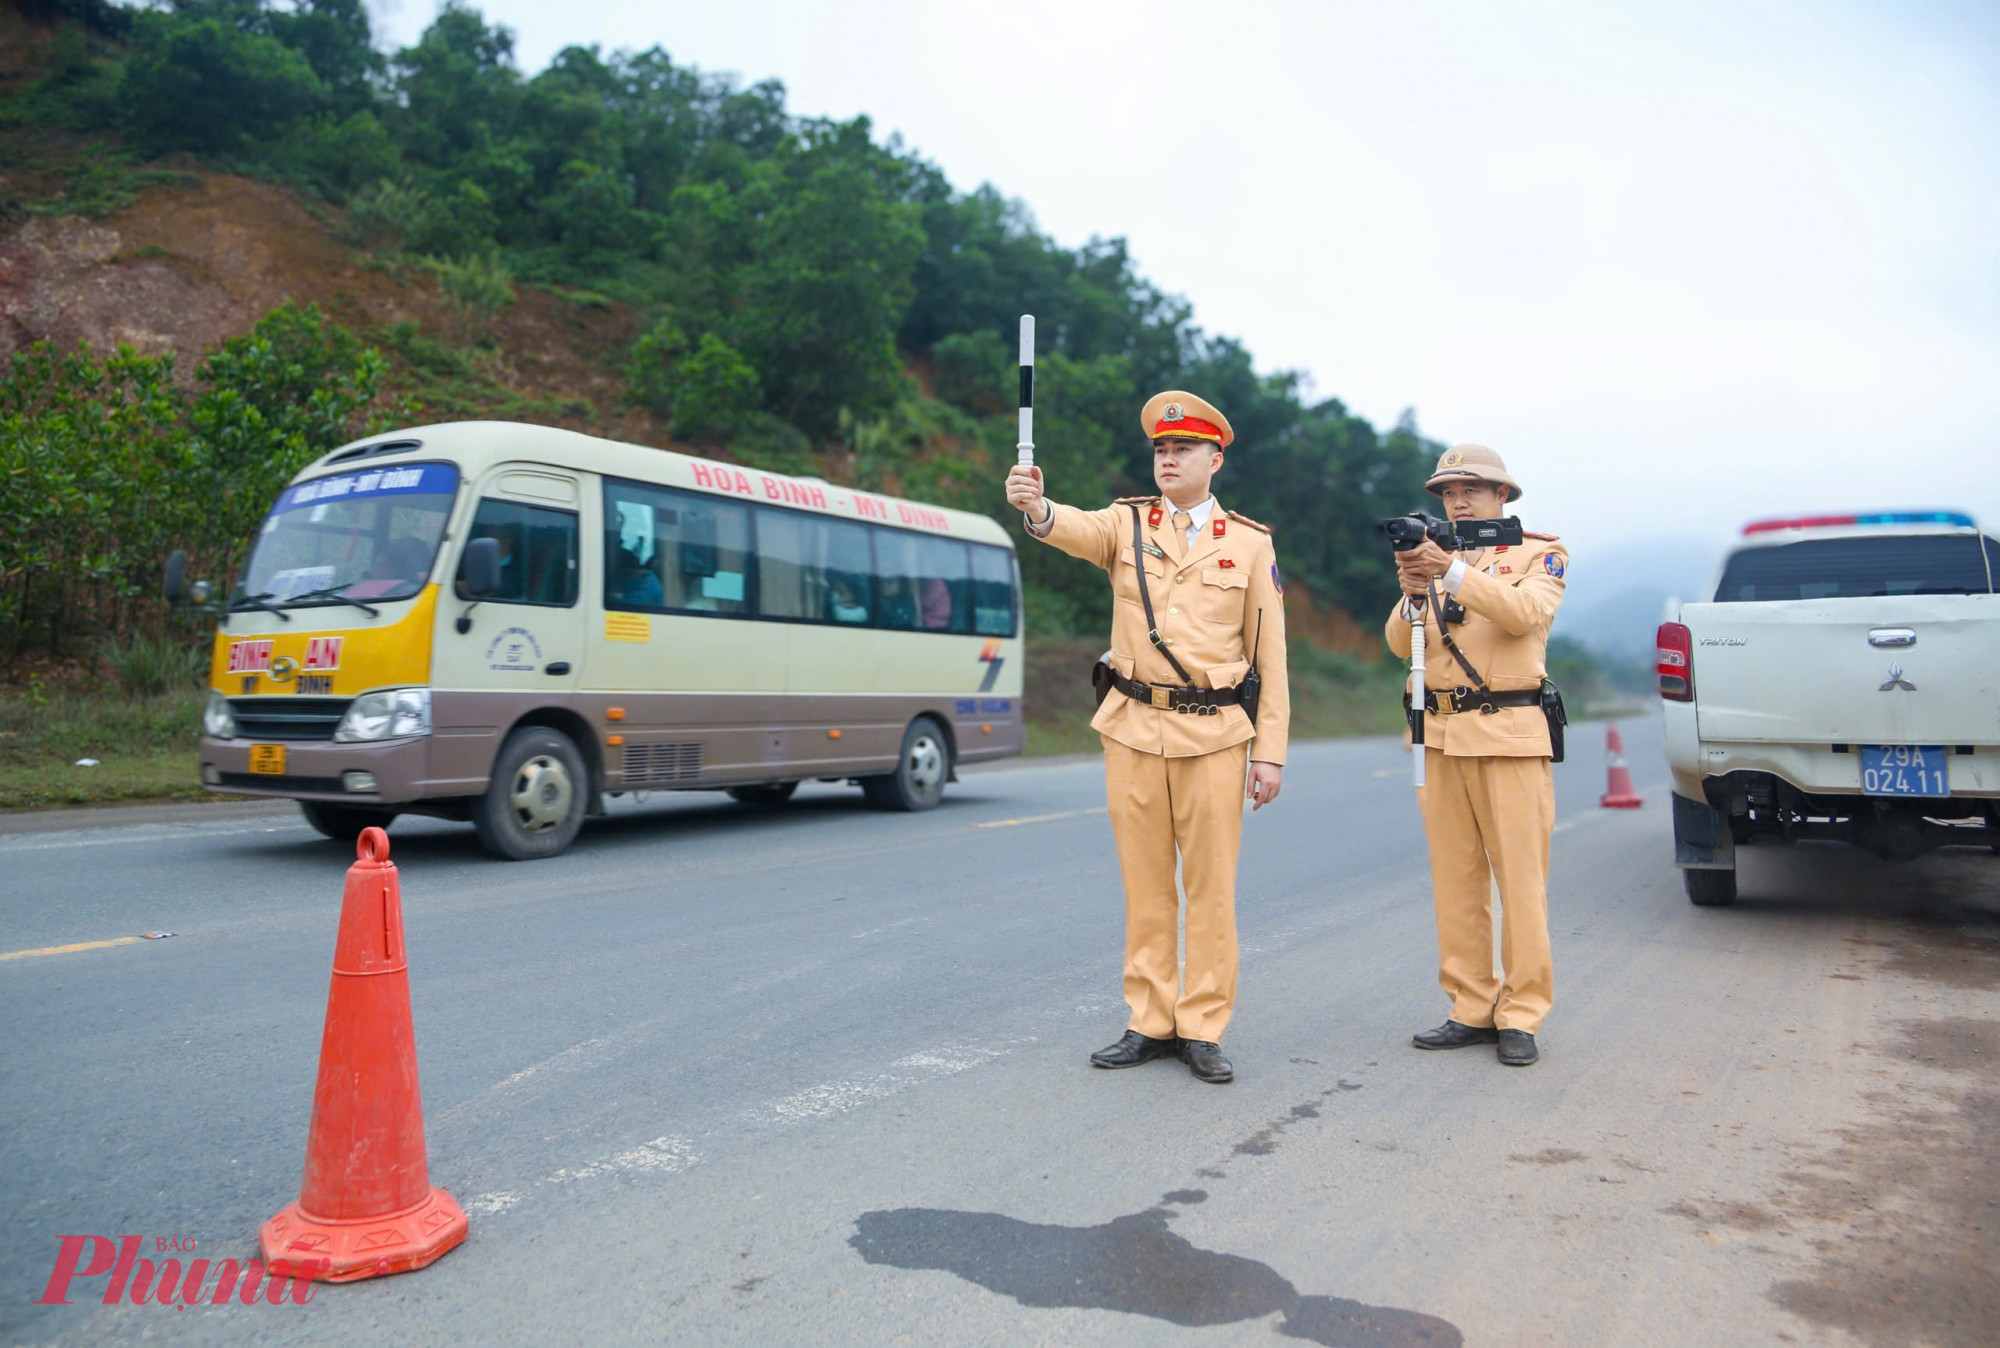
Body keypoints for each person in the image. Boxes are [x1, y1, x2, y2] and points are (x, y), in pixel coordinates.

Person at [1004, 390, 1290, 1085]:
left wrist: (1271, 752)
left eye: (1182, 449)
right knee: (1146, 886)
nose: (1167, 458)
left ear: (1214, 458)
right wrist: (1036, 508)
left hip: (1216, 736)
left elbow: (1270, 655)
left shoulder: (1250, 544)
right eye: (1161, 449)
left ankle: (1202, 1026)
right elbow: (1071, 528)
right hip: (1132, 730)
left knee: (1211, 889)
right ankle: (1149, 1019)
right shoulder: (1126, 525)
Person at [1384, 444, 1568, 1067]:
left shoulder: (1540, 552)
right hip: (1440, 737)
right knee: (1455, 880)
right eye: (1447, 492)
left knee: (1520, 882)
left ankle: (1521, 1013)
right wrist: (1413, 593)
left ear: (1502, 495)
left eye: (1471, 489)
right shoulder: (1434, 556)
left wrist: (1453, 573)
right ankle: (1470, 1004)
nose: (1457, 500)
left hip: (1510, 736)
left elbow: (1524, 615)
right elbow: (1394, 641)